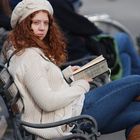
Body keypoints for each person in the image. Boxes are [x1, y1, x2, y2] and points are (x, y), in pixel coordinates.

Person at [1, 0, 140, 139]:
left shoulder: (23, 49)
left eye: (46, 23)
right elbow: (48, 102)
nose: (42, 28)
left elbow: (39, 83)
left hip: (70, 112)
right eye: (36, 23)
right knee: (136, 81)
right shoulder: (29, 57)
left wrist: (66, 75)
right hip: (72, 118)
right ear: (24, 25)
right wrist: (81, 85)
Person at [48, 0, 140, 78]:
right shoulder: (55, 3)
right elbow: (82, 26)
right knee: (123, 39)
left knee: (124, 57)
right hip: (84, 60)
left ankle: (132, 86)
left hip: (76, 58)